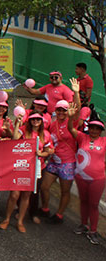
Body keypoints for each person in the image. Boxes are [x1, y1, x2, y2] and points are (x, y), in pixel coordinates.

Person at [0, 112, 53, 233]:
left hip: (34, 167)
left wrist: (41, 154)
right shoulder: (24, 130)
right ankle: (7, 219)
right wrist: (18, 123)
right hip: (20, 165)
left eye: (38, 119)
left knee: (26, 195)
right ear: (29, 121)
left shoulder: (46, 134)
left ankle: (20, 221)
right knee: (14, 195)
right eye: (33, 119)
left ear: (41, 121)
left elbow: (47, 151)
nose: (35, 122)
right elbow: (14, 138)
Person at [40, 79, 81, 223]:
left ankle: (59, 215)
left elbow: (77, 109)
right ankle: (45, 208)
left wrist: (76, 92)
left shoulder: (72, 122)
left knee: (65, 191)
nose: (61, 112)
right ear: (55, 111)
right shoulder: (52, 124)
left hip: (67, 163)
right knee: (44, 187)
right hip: (53, 161)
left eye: (64, 110)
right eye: (59, 110)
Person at [67, 103, 105, 245]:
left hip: (97, 179)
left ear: (101, 130)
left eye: (98, 128)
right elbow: (71, 128)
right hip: (81, 176)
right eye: (93, 127)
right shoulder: (83, 137)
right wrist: (70, 118)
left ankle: (93, 231)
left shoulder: (104, 141)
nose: (95, 130)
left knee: (94, 204)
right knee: (83, 201)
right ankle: (83, 225)